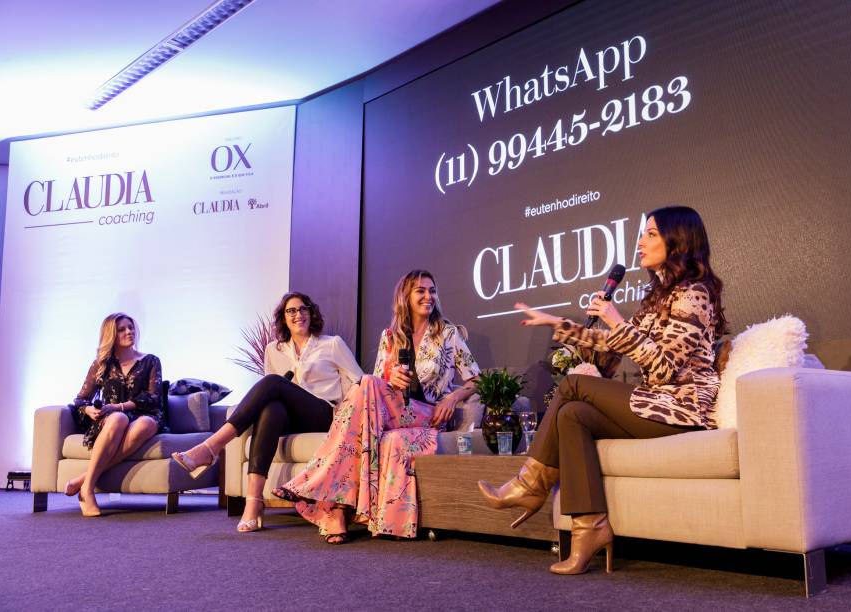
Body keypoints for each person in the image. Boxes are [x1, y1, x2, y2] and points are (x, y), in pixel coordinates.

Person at [479, 205, 727, 574]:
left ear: (678, 241)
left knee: (577, 384)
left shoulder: (694, 294)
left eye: (651, 234)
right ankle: (590, 529)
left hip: (681, 407)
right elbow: (609, 343)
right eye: (642, 233)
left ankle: (530, 484)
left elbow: (664, 369)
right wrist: (557, 323)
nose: (640, 242)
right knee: (573, 415)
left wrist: (617, 321)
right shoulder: (662, 295)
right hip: (659, 402)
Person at [274, 269, 480, 543]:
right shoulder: (391, 336)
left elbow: (477, 379)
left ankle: (334, 505)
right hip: (393, 413)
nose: (428, 296)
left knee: (367, 384)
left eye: (432, 290)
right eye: (421, 291)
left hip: (427, 414)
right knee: (370, 382)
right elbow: (376, 388)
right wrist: (390, 377)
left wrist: (452, 398)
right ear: (405, 297)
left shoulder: (447, 333)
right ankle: (338, 506)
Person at [172, 292, 363, 532]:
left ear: (311, 313)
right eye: (291, 311)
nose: (298, 314)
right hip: (291, 417)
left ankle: (211, 447)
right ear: (283, 318)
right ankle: (254, 501)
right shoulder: (274, 349)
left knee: (273, 382)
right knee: (271, 408)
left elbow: (359, 381)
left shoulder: (331, 343)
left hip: (323, 413)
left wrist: (348, 411)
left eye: (303, 309)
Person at [67, 313, 165, 517]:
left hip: (144, 415)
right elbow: (80, 399)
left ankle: (84, 481)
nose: (129, 332)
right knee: (118, 419)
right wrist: (88, 409)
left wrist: (119, 406)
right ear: (111, 334)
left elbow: (153, 397)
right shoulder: (102, 365)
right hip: (112, 420)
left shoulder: (151, 361)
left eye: (131, 327)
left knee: (143, 424)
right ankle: (88, 490)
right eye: (122, 329)